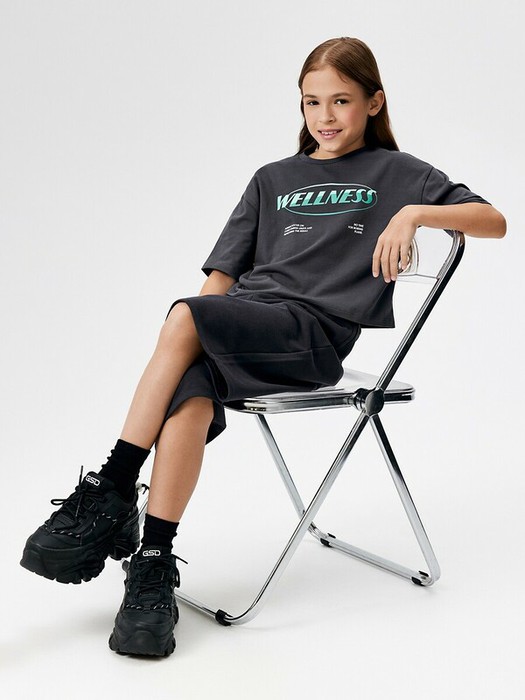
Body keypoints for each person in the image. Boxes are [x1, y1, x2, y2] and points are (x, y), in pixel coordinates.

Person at [20, 36, 506, 658]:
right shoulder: (272, 178)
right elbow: (221, 278)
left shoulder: (399, 173)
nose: (325, 116)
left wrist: (413, 214)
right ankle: (153, 564)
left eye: (341, 101)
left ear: (374, 102)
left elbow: (494, 221)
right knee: (187, 389)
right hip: (246, 325)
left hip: (311, 339)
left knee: (185, 317)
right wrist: (197, 341)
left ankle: (112, 487)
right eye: (312, 102)